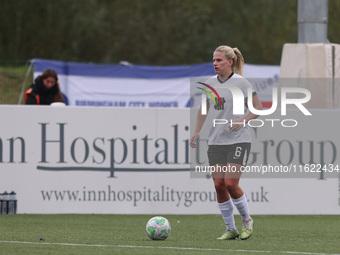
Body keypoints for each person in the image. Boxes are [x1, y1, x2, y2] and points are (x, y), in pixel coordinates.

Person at [190, 45, 263, 240]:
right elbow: (203, 109)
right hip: (216, 142)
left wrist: (243, 121)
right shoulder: (209, 83)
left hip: (238, 141)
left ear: (230, 62)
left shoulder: (241, 83)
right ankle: (230, 228)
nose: (215, 63)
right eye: (213, 60)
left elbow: (258, 108)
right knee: (219, 185)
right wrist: (197, 131)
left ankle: (247, 220)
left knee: (231, 183)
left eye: (219, 60)